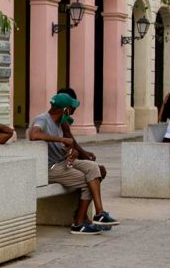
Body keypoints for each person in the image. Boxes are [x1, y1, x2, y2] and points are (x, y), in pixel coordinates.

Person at [28, 92, 119, 235]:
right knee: (87, 182)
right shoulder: (43, 119)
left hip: (62, 162)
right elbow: (34, 135)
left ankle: (100, 213)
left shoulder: (61, 122)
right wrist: (62, 140)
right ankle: (78, 223)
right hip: (50, 168)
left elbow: (68, 143)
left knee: (94, 168)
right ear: (65, 109)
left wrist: (73, 152)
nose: (73, 111)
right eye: (72, 108)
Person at [55, 87, 107, 181]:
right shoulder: (61, 120)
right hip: (58, 164)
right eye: (73, 105)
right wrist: (86, 157)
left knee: (95, 170)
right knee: (98, 171)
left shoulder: (64, 119)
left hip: (64, 160)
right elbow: (70, 143)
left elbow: (72, 143)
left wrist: (84, 153)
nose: (75, 108)